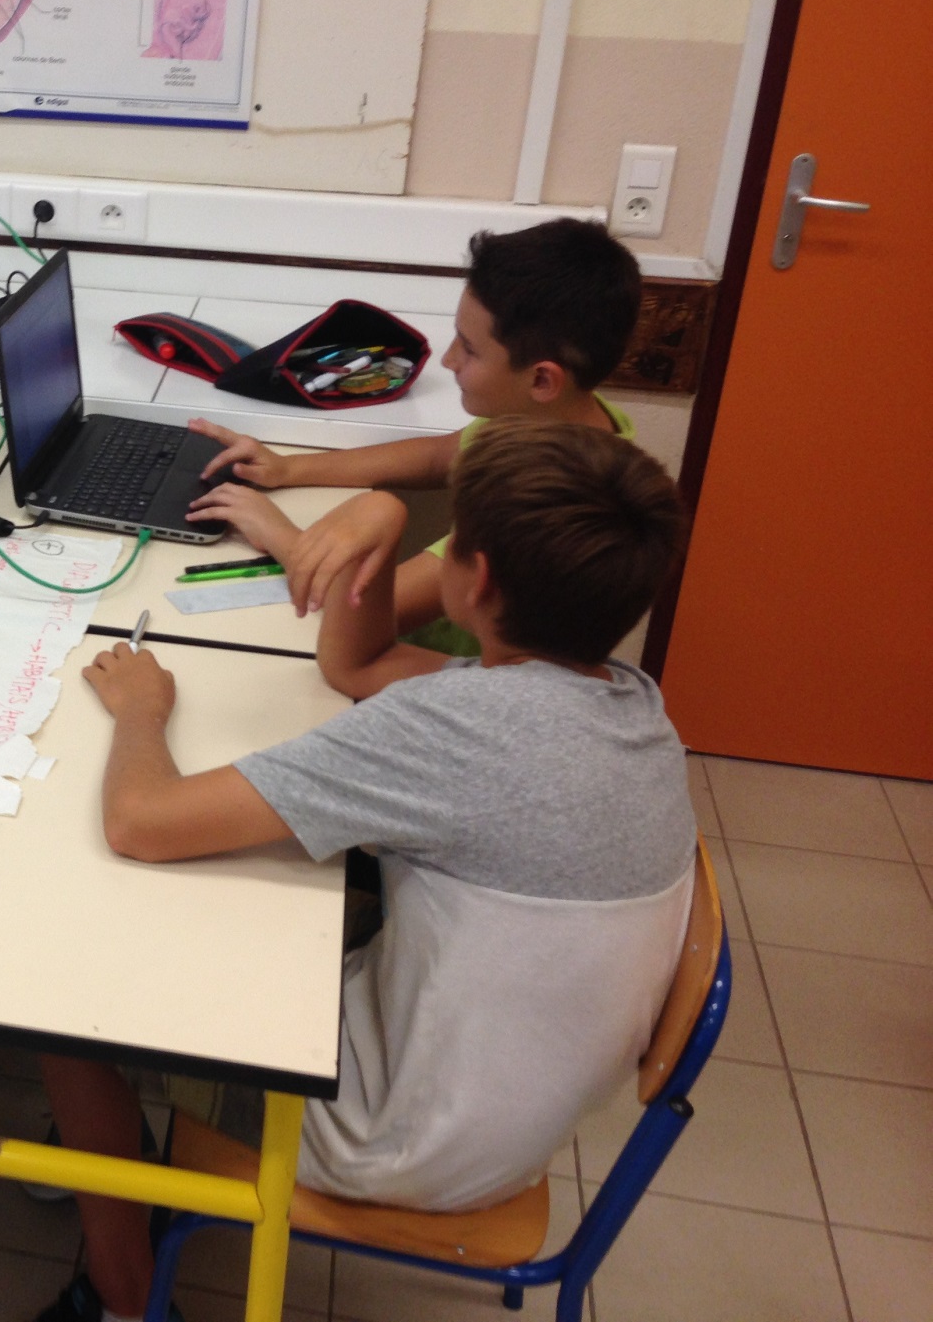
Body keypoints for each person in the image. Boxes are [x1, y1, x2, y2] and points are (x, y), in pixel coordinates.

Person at [35, 420, 695, 1322]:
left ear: (475, 580)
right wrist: (380, 523)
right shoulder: (630, 703)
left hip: (391, 1142)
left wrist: (142, 712)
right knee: (268, 892)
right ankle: (105, 1150)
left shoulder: (455, 730)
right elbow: (360, 663)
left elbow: (140, 821)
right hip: (500, 1116)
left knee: (64, 997)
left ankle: (119, 1300)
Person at [187, 217, 643, 656]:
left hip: (434, 675)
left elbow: (374, 608)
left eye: (469, 348)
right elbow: (439, 456)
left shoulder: (549, 507)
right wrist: (290, 468)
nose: (448, 360)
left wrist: (278, 533)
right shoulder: (547, 417)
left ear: (542, 379)